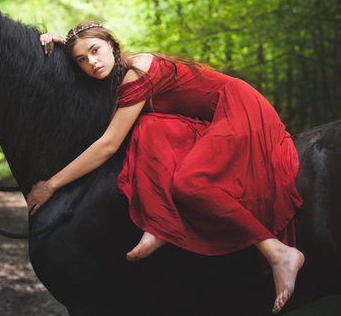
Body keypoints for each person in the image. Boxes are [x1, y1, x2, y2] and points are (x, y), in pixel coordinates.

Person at [27, 21, 305, 313]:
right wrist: (54, 45)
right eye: (81, 60)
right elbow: (76, 75)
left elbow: (108, 145)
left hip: (237, 106)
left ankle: (278, 251)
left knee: (190, 185)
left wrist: (51, 184)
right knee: (147, 124)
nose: (91, 63)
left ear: (112, 44)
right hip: (209, 117)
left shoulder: (137, 73)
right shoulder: (120, 72)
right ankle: (160, 221)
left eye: (95, 50)